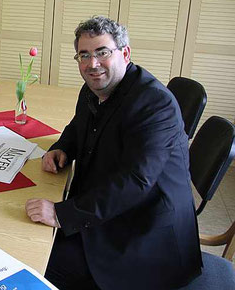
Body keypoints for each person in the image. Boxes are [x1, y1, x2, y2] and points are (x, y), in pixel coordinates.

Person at [24, 16, 202, 290]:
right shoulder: (94, 87)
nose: (92, 64)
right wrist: (63, 147)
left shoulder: (154, 105)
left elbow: (136, 181)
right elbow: (79, 124)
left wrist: (62, 215)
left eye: (102, 53)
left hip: (145, 232)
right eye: (84, 55)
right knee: (32, 239)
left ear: (125, 53)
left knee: (38, 261)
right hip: (109, 208)